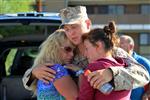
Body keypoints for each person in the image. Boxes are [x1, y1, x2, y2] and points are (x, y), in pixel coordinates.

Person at [22, 6, 150, 93]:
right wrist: (34, 73)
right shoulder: (66, 53)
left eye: (74, 27)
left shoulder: (111, 51)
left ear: (88, 24)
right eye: (67, 29)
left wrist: (111, 73)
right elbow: (28, 81)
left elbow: (143, 75)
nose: (71, 33)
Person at [78, 22, 131, 100]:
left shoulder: (94, 67)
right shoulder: (125, 65)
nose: (85, 54)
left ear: (98, 45)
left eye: (86, 48)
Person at [32, 29, 78, 100]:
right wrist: (81, 73)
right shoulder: (57, 69)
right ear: (54, 48)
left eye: (74, 51)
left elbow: (28, 84)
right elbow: (77, 98)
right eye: (67, 49)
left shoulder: (43, 67)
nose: (72, 54)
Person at [120, 35, 150, 100]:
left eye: (121, 43)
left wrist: (147, 94)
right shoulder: (115, 62)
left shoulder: (144, 63)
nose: (117, 46)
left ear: (130, 47)